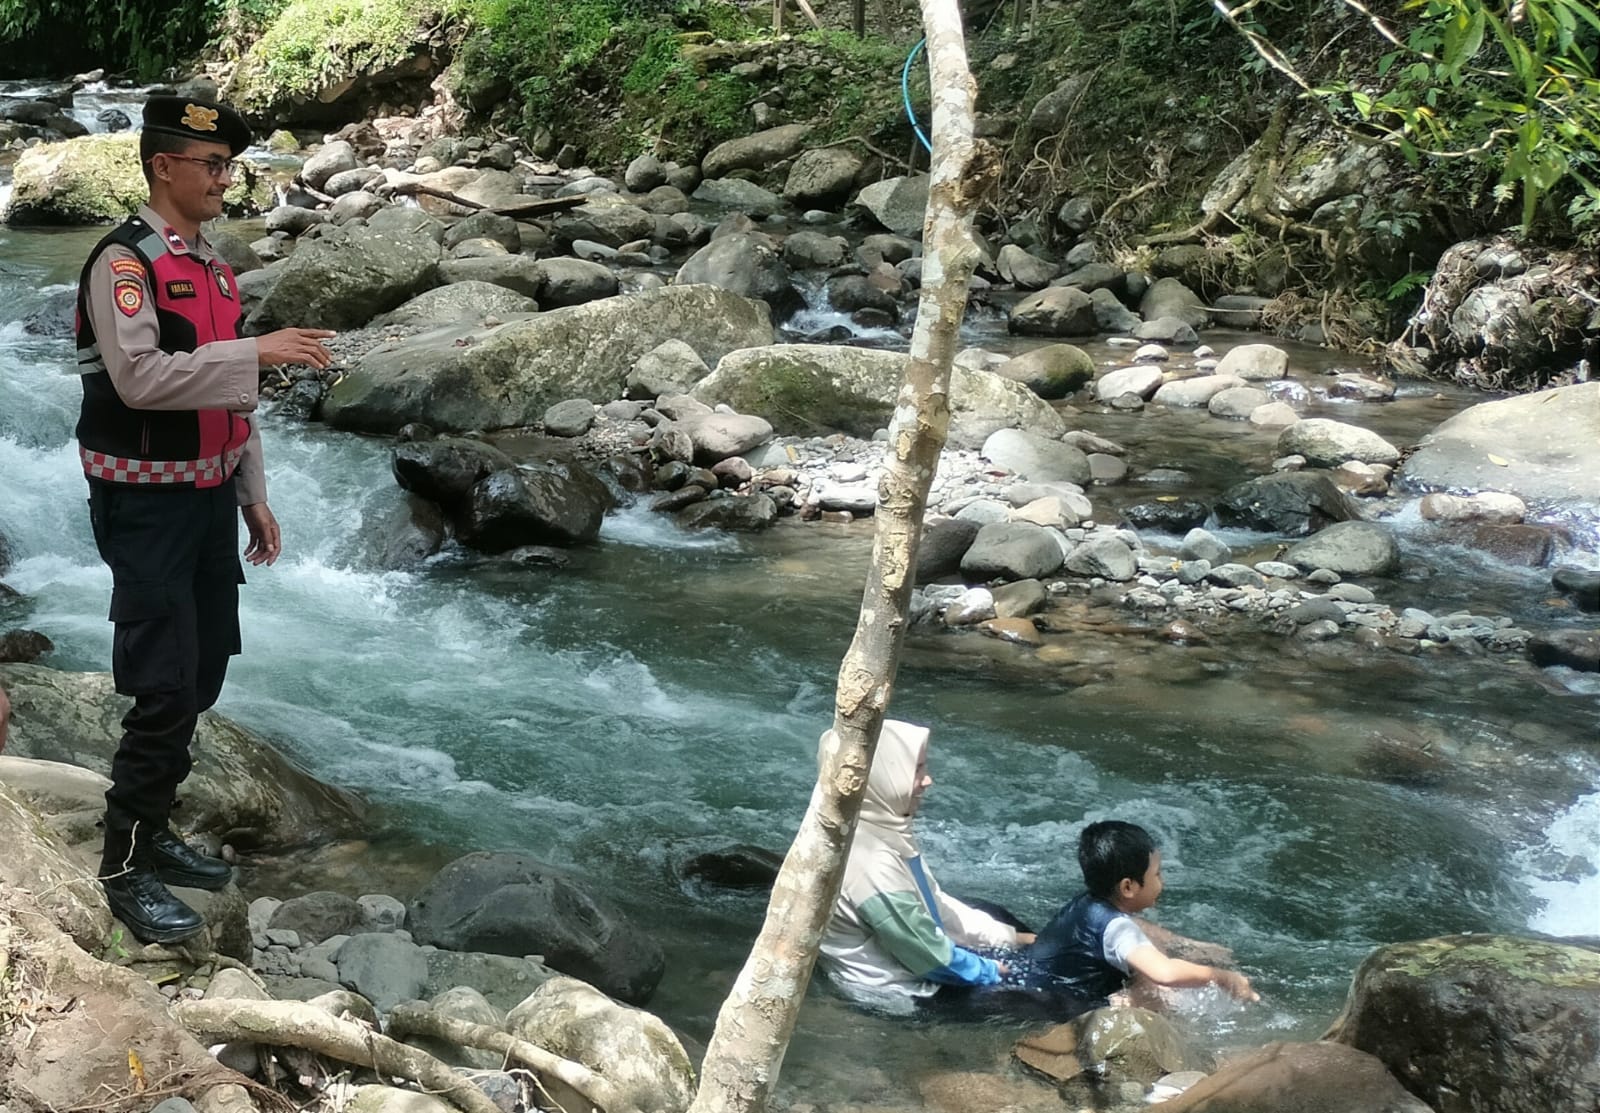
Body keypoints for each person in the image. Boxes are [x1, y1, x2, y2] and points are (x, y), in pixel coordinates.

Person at [76, 95, 335, 944]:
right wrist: (255, 350)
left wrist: (252, 492)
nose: (226, 179)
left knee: (204, 670)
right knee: (161, 682)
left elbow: (234, 400)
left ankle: (155, 829)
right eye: (213, 164)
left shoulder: (215, 269)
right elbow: (141, 379)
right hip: (145, 503)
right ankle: (122, 865)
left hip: (207, 498)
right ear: (164, 166)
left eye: (229, 165)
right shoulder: (125, 263)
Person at [818, 720, 1036, 1013]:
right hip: (898, 994)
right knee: (1046, 1001)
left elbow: (934, 904)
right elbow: (929, 957)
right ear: (884, 777)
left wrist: (1009, 939)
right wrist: (995, 971)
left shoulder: (877, 827)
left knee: (995, 915)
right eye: (917, 769)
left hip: (916, 962)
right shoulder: (870, 862)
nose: (927, 780)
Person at [1029, 820, 1258, 1005]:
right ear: (1128, 887)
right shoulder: (1117, 928)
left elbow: (1135, 927)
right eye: (1157, 874)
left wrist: (1186, 945)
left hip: (1038, 982)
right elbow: (1165, 973)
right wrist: (1225, 978)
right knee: (1152, 990)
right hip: (1065, 1006)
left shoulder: (1089, 903)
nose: (1162, 882)